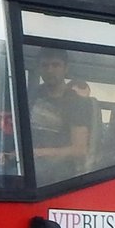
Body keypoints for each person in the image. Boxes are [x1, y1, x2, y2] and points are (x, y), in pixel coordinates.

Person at [28, 48, 92, 179]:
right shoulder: (30, 96)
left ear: (66, 68)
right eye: (45, 65)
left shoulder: (77, 102)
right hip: (26, 161)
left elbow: (79, 150)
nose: (50, 70)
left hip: (58, 170)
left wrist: (39, 153)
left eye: (56, 65)